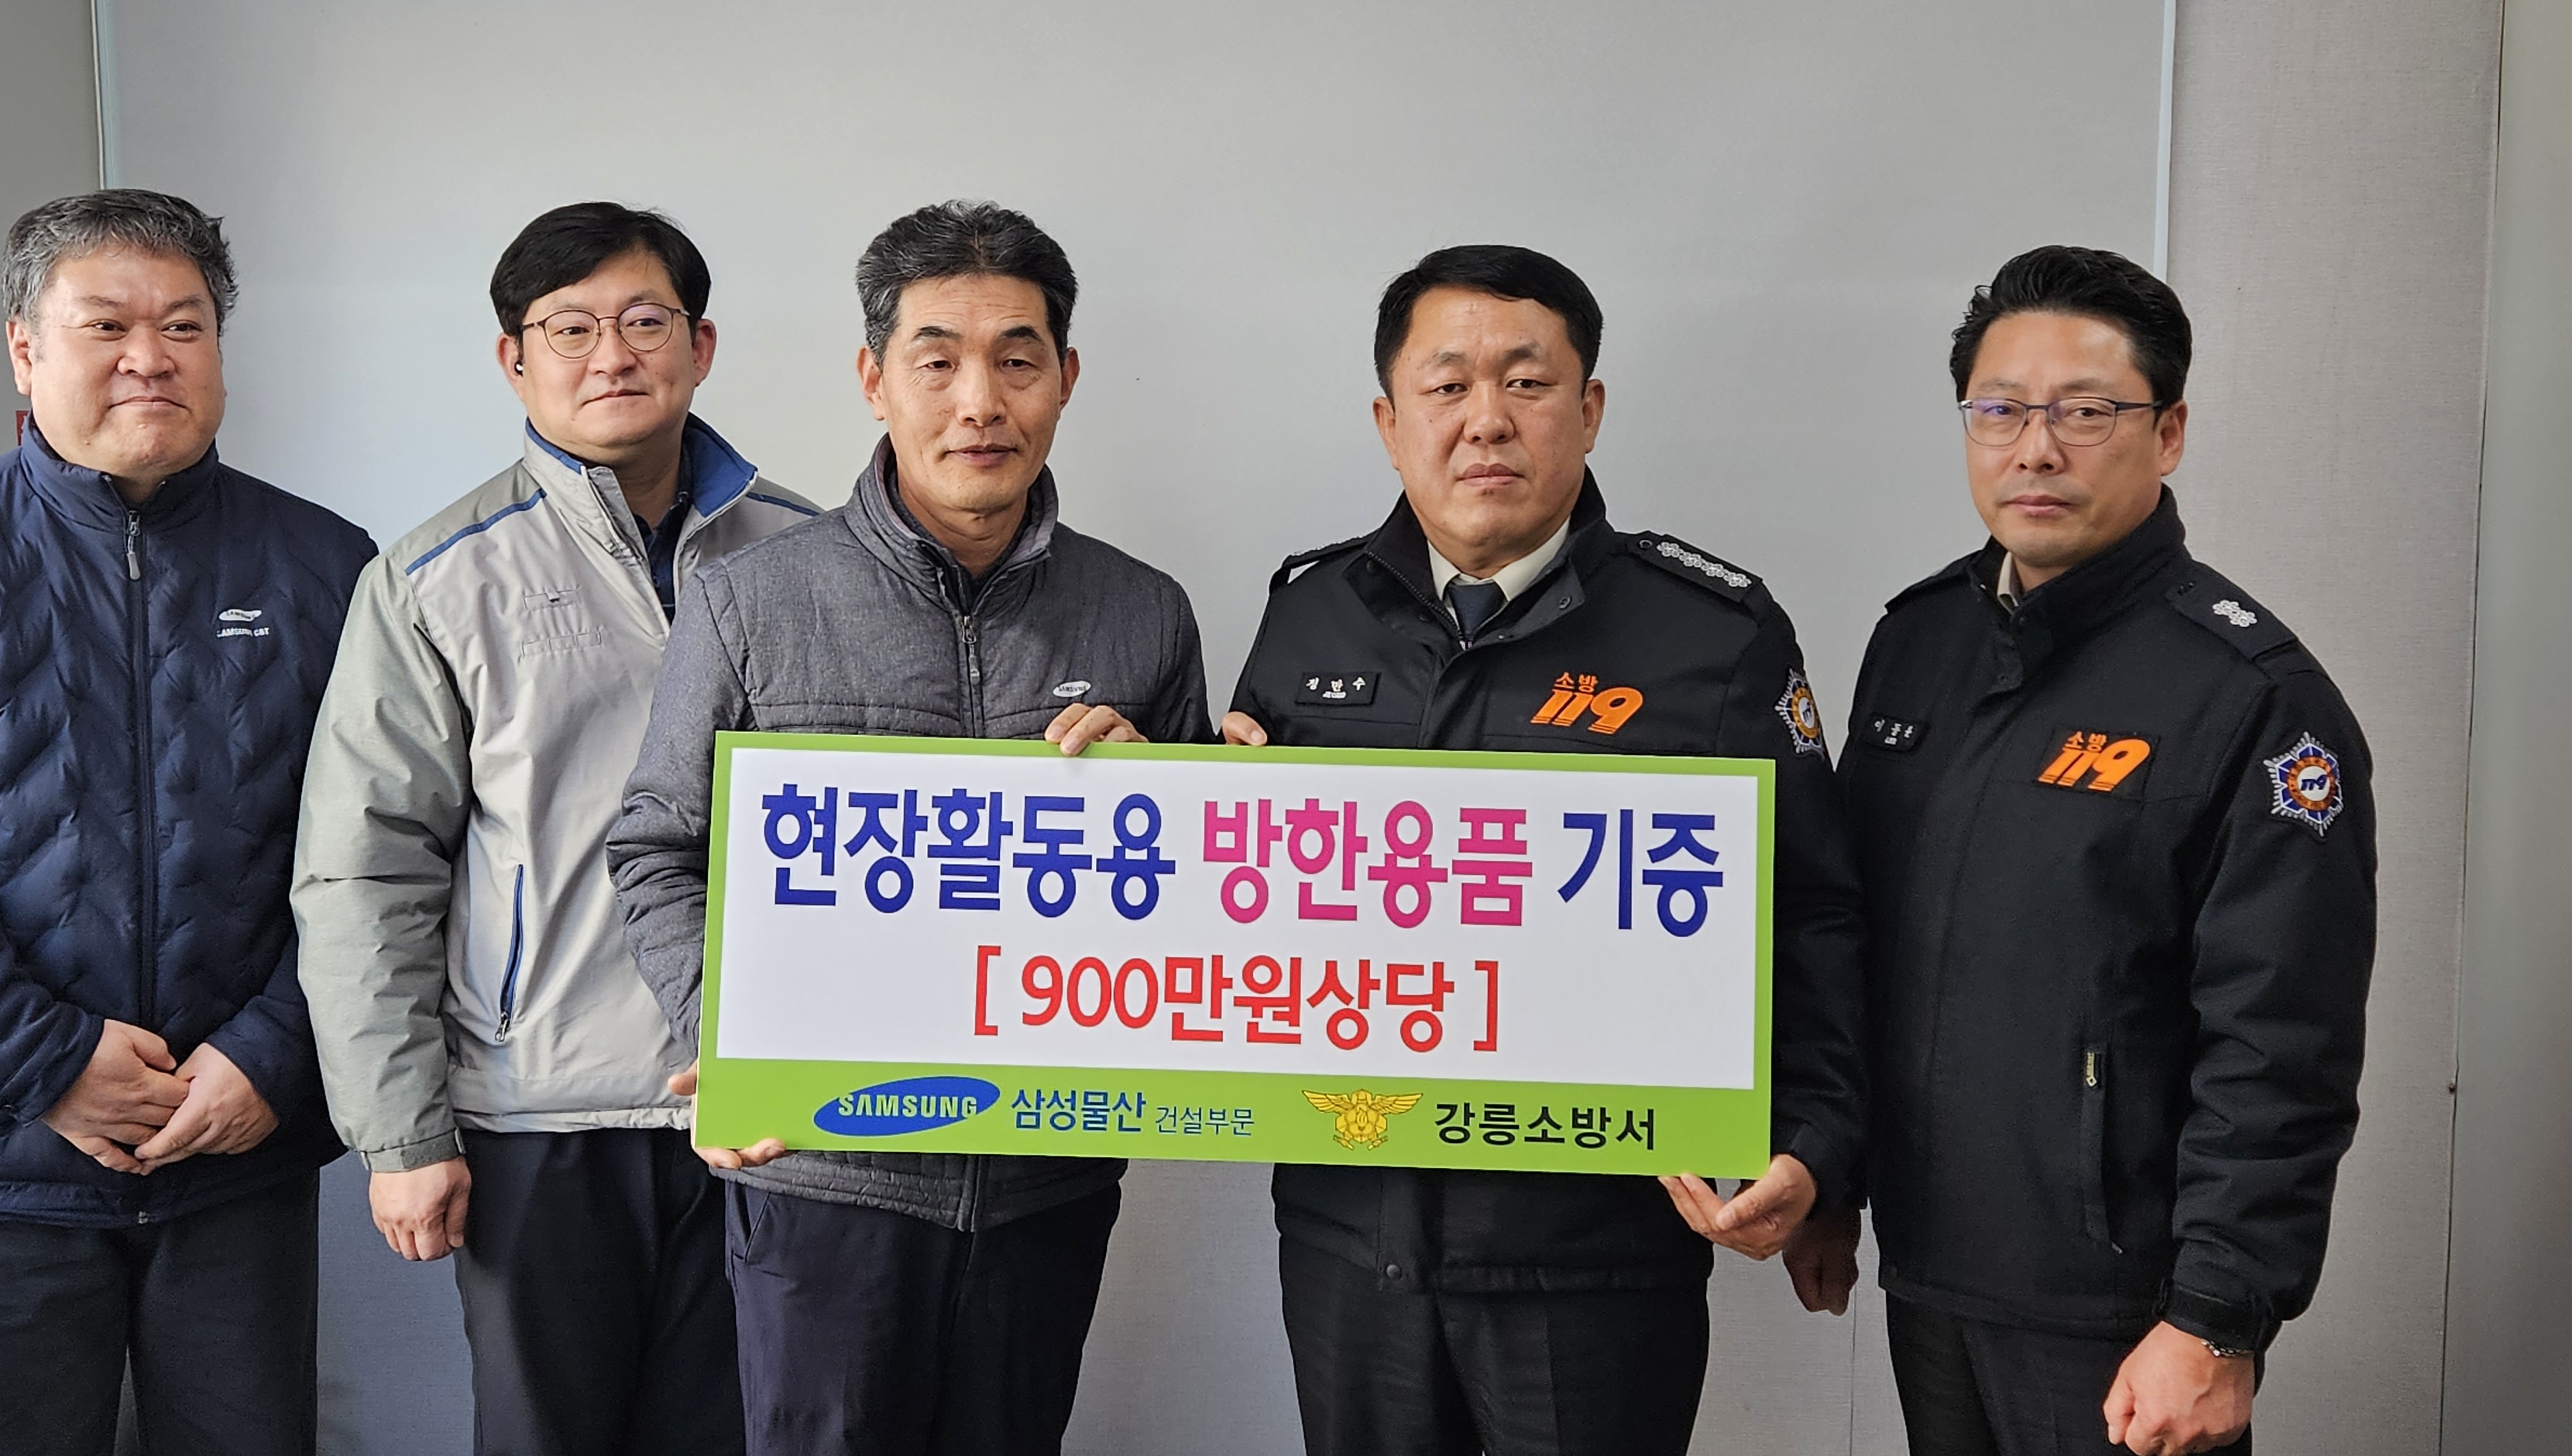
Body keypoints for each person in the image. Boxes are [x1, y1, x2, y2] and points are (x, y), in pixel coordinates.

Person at [1220, 244, 1865, 1456]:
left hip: (1597, 1262)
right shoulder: (1310, 614)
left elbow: (1815, 911)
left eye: (1526, 382)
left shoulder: (1711, 635)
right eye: (1446, 386)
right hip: (1352, 1246)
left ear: (1590, 409)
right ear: (1389, 421)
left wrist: (1819, 1149)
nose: (1486, 421)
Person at [608, 199, 1211, 1456]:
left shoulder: (1144, 612)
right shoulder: (749, 602)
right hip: (825, 1174)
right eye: (937, 361)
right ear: (875, 379)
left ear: (1066, 378)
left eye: (1017, 359)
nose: (979, 401)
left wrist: (1172, 800)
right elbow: (659, 846)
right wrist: (726, 1032)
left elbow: (1198, 909)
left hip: (1046, 1178)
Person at [0, 190, 372, 1456]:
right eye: (107, 324)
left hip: (236, 1157)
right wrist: (47, 1063)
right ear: (24, 349)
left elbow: (378, 856)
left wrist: (274, 1057)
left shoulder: (328, 568)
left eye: (185, 325)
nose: (150, 357)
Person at [1796, 246, 2375, 1456]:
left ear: (2168, 434)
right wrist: (1831, 1174)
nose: (2036, 449)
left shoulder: (2251, 699)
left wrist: (2217, 1319)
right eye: (2000, 410)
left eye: (2086, 412)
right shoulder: (1919, 644)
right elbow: (1850, 939)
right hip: (1931, 1271)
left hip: (2129, 1314)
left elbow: (2281, 1045)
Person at [290, 202, 817, 1454]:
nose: (612, 354)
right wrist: (400, 1132)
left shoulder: (814, 555)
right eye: (570, 328)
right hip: (540, 1115)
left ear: (700, 345)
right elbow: (365, 872)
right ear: (513, 359)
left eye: (645, 321)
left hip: (765, 1105)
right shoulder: (436, 578)